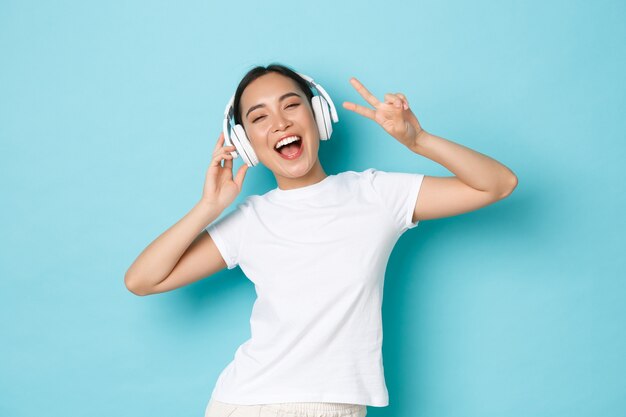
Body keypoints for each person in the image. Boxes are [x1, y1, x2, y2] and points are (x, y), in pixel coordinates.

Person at [124, 63, 518, 417]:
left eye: (290, 105)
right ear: (247, 143)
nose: (279, 123)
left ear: (319, 116)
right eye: (259, 117)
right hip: (243, 404)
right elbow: (142, 280)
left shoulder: (377, 194)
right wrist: (208, 207)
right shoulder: (250, 221)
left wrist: (419, 141)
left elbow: (497, 185)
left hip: (334, 407)